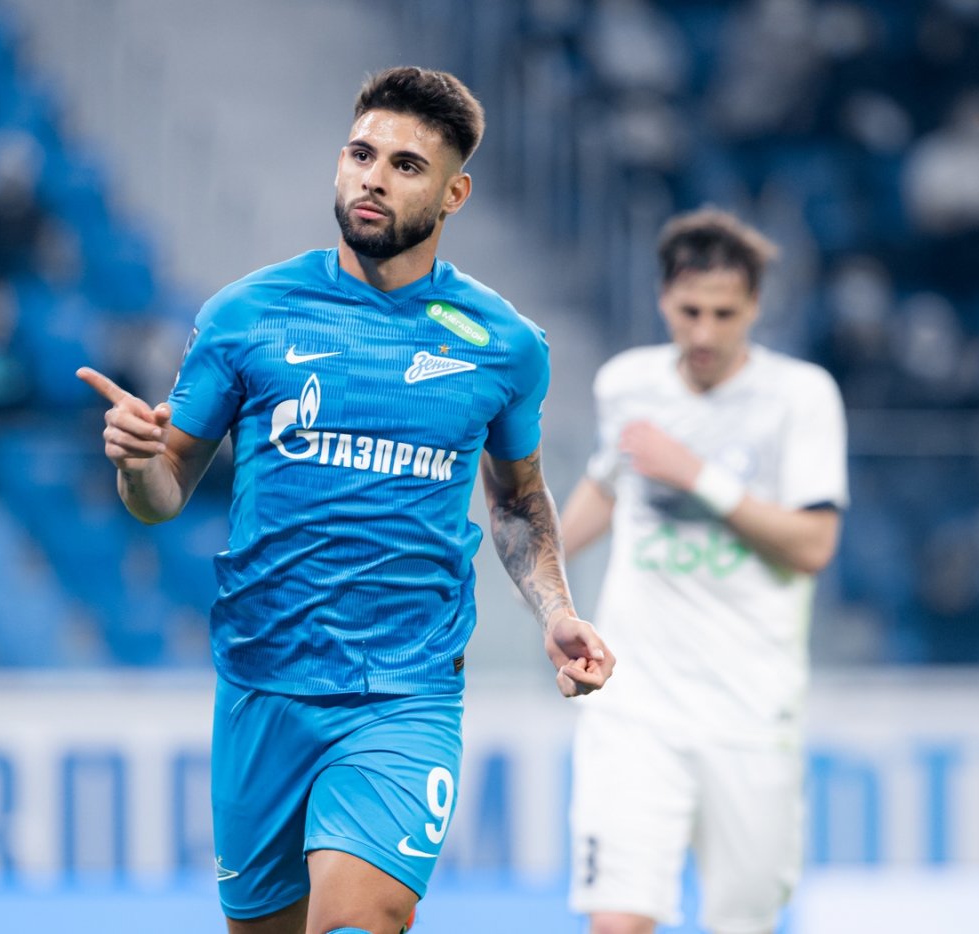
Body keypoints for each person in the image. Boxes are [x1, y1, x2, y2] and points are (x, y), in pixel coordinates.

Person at [78, 66, 614, 934]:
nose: (373, 178)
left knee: (359, 922)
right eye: (361, 154)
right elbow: (161, 494)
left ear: (454, 194)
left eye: (406, 165)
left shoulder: (505, 344)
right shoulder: (245, 314)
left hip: (405, 691)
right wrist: (138, 463)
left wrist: (555, 610)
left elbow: (517, 501)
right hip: (262, 683)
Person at [561, 207, 847, 934]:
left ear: (754, 307)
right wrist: (532, 569)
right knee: (616, 920)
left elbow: (813, 545)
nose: (705, 334)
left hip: (750, 713)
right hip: (636, 708)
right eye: (690, 311)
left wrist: (697, 475)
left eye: (724, 314)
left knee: (742, 923)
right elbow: (607, 486)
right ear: (664, 299)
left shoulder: (801, 396)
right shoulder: (627, 383)